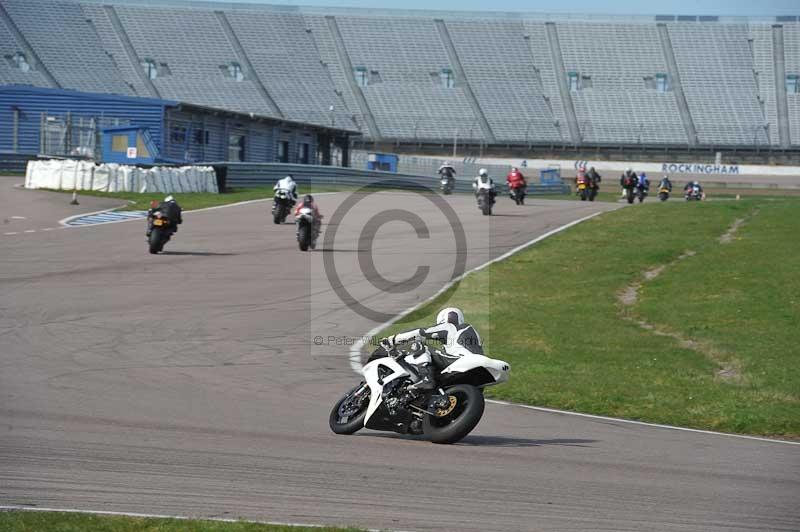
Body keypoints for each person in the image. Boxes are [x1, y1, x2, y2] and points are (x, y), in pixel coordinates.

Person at [379, 307, 483, 391]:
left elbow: (420, 333)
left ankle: (426, 379)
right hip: (476, 373)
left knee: (419, 345)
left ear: (443, 319)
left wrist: (392, 340)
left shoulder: (449, 326)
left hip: (460, 361)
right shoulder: (470, 333)